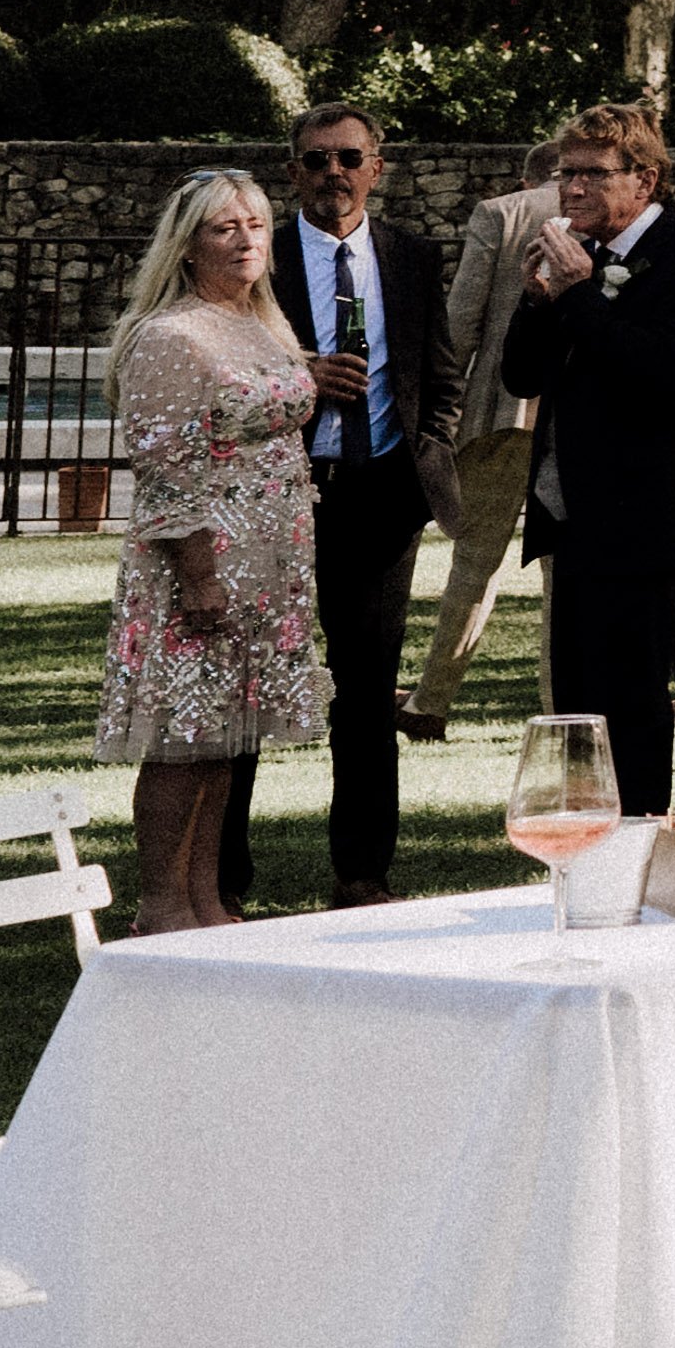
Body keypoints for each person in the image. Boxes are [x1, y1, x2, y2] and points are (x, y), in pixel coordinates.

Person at [499, 103, 675, 829]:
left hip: (643, 520)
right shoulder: (578, 253)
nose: (570, 188)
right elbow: (520, 376)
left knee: (631, 706)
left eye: (590, 173)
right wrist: (540, 301)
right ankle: (586, 848)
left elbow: (665, 372)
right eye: (564, 172)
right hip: (571, 517)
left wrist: (577, 297)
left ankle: (635, 846)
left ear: (644, 178)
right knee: (577, 708)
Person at [99, 171, 322, 936]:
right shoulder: (171, 333)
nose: (246, 239)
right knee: (179, 736)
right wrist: (200, 575)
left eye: (255, 224)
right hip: (201, 565)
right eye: (225, 227)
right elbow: (163, 466)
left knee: (227, 736)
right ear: (189, 244)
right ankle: (160, 902)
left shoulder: (260, 323)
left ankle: (206, 896)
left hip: (268, 565)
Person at [267, 101, 452, 907]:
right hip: (278, 496)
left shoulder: (410, 257)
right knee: (247, 687)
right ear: (292, 172)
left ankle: (363, 870)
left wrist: (426, 459)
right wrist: (299, 375)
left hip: (379, 495)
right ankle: (218, 881)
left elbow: (437, 370)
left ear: (377, 167)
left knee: (368, 691)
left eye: (348, 158)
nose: (331, 174)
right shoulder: (257, 258)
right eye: (315, 160)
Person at [411, 122, 583, 734]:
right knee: (563, 573)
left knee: (473, 562)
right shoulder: (605, 211)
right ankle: (562, 709)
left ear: (526, 177)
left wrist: (438, 413)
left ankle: (431, 701)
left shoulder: (501, 212)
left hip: (504, 410)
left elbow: (461, 324)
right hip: (575, 416)